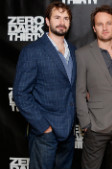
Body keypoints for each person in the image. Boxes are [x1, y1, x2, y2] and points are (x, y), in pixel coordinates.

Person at [13, 2, 76, 169]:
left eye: (66, 18)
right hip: (44, 134)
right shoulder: (32, 51)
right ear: (47, 21)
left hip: (68, 133)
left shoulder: (75, 51)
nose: (62, 22)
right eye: (57, 17)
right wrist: (44, 127)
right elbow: (20, 94)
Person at [76, 5, 112, 169]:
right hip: (96, 127)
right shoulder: (83, 54)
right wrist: (86, 124)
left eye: (108, 23)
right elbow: (79, 92)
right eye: (100, 24)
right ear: (94, 28)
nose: (105, 28)